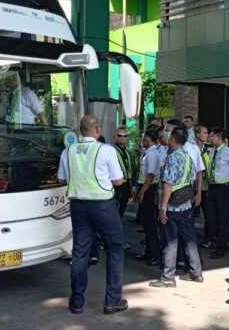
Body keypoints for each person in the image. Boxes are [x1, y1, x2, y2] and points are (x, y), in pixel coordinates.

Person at [58, 115, 127, 315]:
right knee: (115, 248)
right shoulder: (106, 150)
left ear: (80, 131)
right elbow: (118, 182)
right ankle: (112, 301)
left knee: (80, 252)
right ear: (98, 129)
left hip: (78, 206)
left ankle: (77, 302)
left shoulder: (68, 151)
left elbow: (62, 179)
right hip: (103, 207)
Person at [149, 128, 203, 287]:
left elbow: (168, 184)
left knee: (170, 241)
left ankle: (168, 278)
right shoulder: (187, 156)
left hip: (172, 206)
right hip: (185, 204)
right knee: (189, 238)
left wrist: (163, 207)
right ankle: (196, 272)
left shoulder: (173, 158)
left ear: (173, 139)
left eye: (169, 135)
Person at [206, 127, 229, 259]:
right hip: (212, 187)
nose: (210, 138)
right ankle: (217, 240)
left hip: (224, 188)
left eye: (213, 136)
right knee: (211, 216)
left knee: (223, 218)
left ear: (220, 138)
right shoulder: (212, 151)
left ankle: (220, 247)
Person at [133, 126, 163, 267]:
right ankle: (149, 251)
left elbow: (150, 175)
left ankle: (156, 253)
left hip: (148, 187)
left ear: (149, 139)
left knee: (149, 222)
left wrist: (142, 191)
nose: (142, 140)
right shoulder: (148, 152)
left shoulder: (152, 154)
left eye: (144, 138)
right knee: (145, 222)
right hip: (145, 186)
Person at [113, 127, 136, 219]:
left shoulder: (128, 153)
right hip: (115, 185)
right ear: (114, 137)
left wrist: (132, 186)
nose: (122, 138)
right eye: (119, 135)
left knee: (121, 209)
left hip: (126, 186)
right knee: (114, 211)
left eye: (125, 136)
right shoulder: (111, 151)